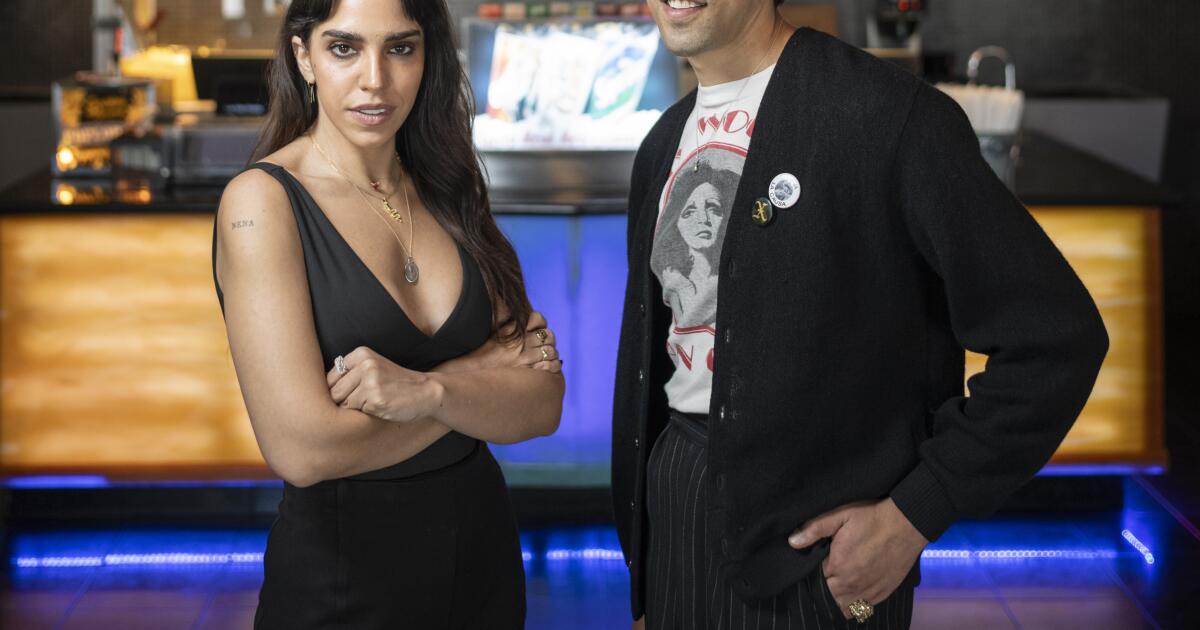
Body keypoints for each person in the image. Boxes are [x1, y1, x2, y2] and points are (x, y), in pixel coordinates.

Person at [611, 1, 1109, 628]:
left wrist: (915, 513)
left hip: (819, 550)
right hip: (676, 511)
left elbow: (1055, 338)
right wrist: (646, 573)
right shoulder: (663, 142)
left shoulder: (888, 114)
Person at [211, 0, 564, 627]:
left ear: (427, 56)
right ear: (304, 57)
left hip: (481, 566)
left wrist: (426, 392)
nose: (375, 79)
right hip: (343, 585)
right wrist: (474, 383)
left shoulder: (450, 187)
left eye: (400, 48)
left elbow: (542, 402)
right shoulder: (262, 203)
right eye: (344, 48)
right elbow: (303, 451)